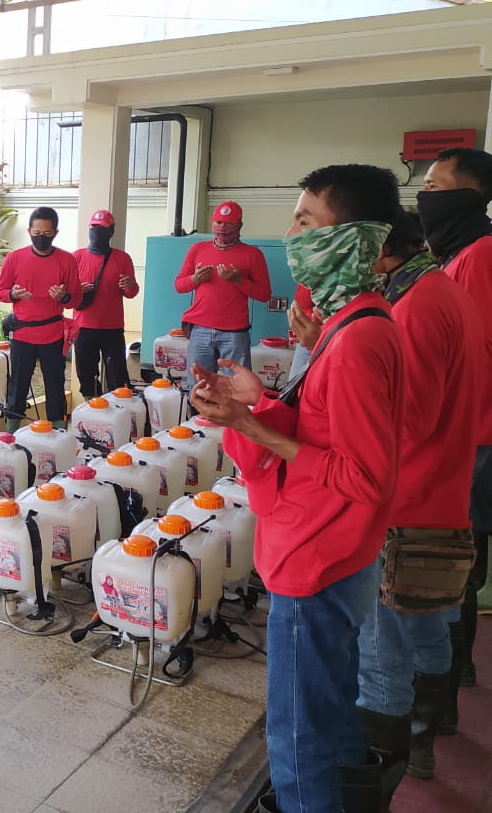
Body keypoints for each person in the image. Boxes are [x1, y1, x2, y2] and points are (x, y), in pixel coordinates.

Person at [191, 164, 404, 813]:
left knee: (295, 733)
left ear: (351, 237)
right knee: (331, 702)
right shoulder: (356, 320)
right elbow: (327, 428)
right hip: (341, 551)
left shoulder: (358, 341)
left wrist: (253, 427)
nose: (291, 236)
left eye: (306, 221)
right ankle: (357, 792)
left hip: (317, 560)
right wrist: (260, 401)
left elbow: (365, 476)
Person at [354, 209, 481, 801]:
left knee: (382, 650)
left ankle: (376, 781)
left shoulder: (414, 307)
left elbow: (408, 419)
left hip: (404, 504)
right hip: (442, 492)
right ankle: (428, 735)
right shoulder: (441, 289)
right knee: (430, 623)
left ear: (380, 251)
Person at [416, 146, 492, 717]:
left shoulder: (480, 255)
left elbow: (471, 355)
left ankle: (439, 702)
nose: (425, 197)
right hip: (465, 430)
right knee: (455, 556)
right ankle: (450, 679)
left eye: (434, 187)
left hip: (473, 432)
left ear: (469, 195)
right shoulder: (456, 253)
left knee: (451, 561)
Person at [0, 206, 80, 430]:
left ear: (55, 233)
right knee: (17, 385)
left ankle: (58, 431)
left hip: (52, 333)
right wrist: (13, 294)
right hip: (22, 333)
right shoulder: (14, 258)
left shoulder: (66, 260)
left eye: (47, 234)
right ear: (29, 231)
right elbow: (0, 291)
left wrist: (63, 297)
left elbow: (76, 299)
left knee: (55, 384)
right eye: (37, 233)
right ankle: (11, 433)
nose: (41, 237)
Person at [175, 200, 272, 393]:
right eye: (218, 222)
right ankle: (197, 414)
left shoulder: (253, 254)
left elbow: (264, 294)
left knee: (238, 388)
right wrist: (195, 279)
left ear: (240, 225)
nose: (222, 227)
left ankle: (232, 415)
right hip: (200, 329)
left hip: (235, 332)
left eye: (228, 223)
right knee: (198, 386)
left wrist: (238, 280)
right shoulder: (197, 249)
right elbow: (179, 285)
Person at [71, 209, 139, 399]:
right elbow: (66, 295)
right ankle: (91, 408)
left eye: (101, 228)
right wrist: (77, 291)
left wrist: (130, 286)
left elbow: (131, 293)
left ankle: (120, 408)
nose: (96, 231)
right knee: (86, 376)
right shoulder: (75, 257)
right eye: (93, 227)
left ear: (111, 231)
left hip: (112, 329)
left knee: (117, 376)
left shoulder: (122, 258)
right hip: (83, 328)